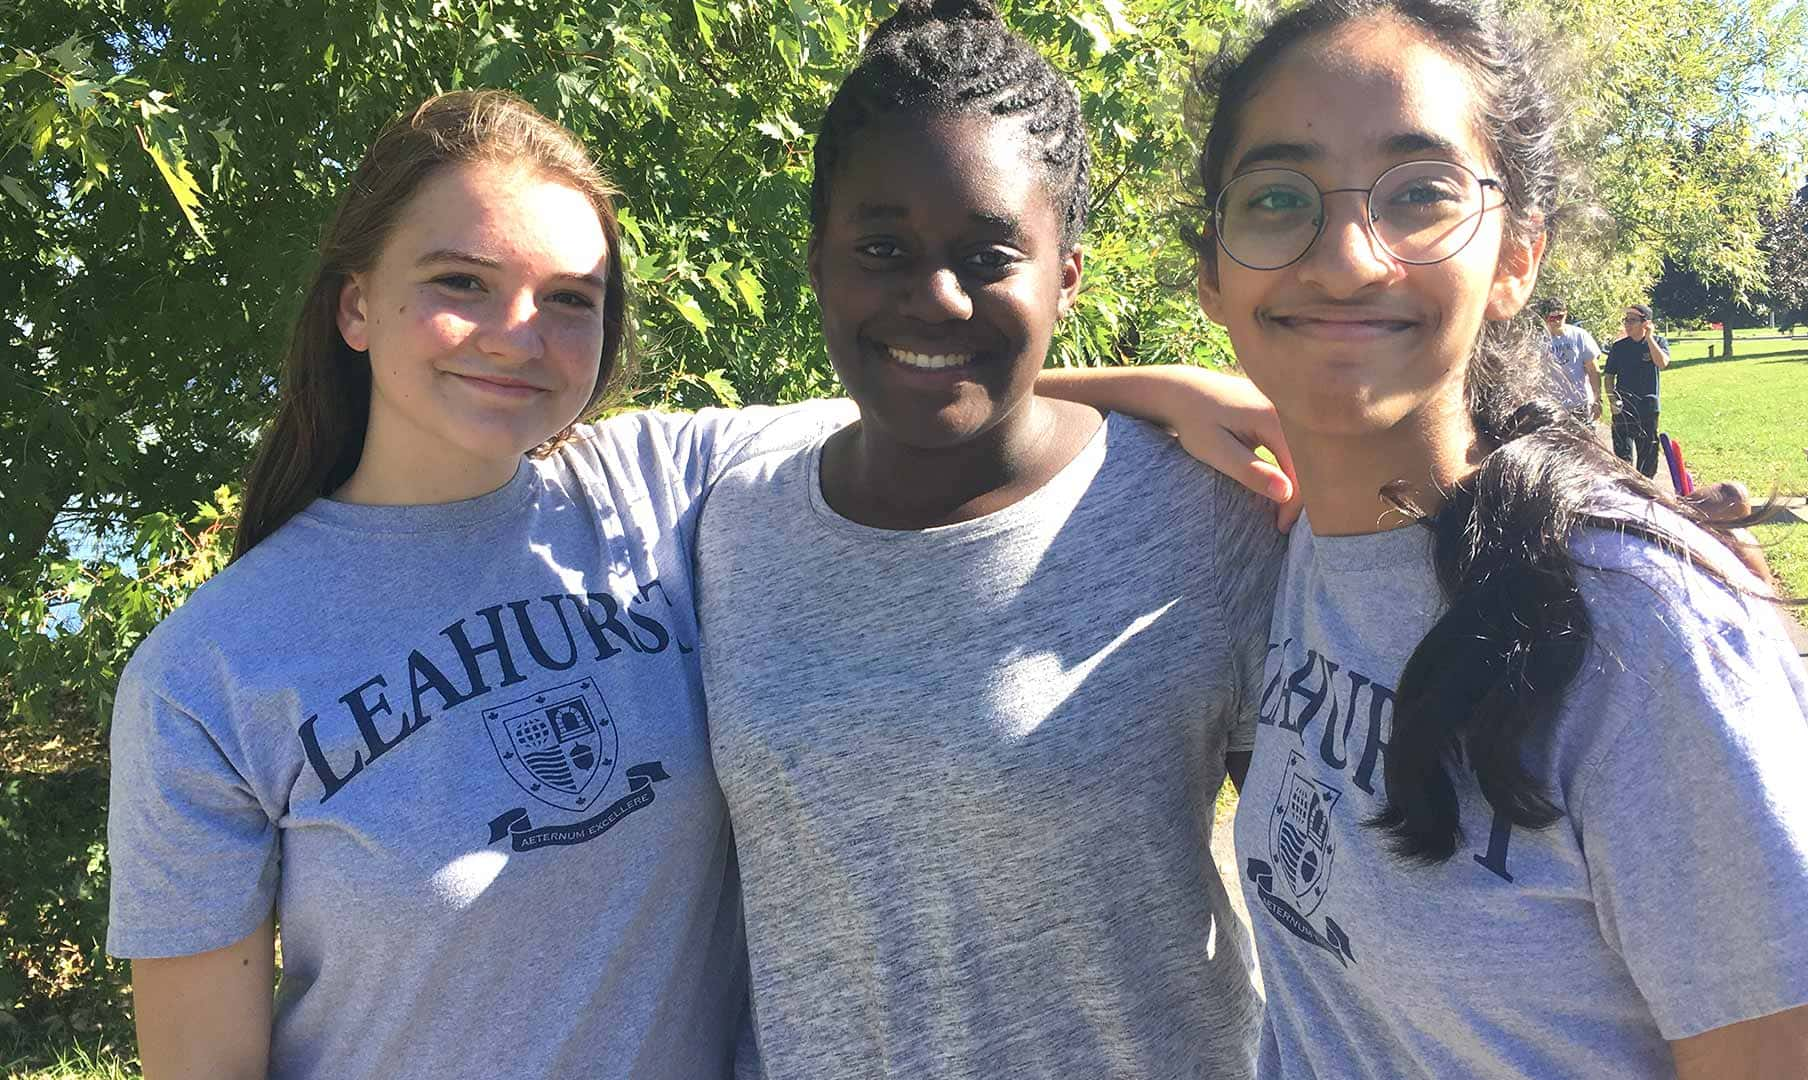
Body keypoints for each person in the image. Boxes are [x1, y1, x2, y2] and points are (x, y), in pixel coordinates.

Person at [104, 89, 1283, 1080]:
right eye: (460, 282)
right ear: (357, 304)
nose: (518, 333)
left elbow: (937, 377)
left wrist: (1166, 387)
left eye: (569, 298)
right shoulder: (210, 672)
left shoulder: (664, 480)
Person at [1186, 2, 1808, 1077]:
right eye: (1277, 198)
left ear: (1516, 259)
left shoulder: (1633, 624)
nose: (1342, 257)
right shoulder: (1289, 536)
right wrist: (1144, 385)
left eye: (1420, 193)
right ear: (1213, 275)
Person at [694, 3, 1280, 1076]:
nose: (935, 296)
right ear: (817, 259)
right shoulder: (727, 515)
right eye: (881, 248)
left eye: (990, 252)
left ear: (1068, 273)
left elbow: (1339, 906)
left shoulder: (1209, 517)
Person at [1606, 301, 1669, 476]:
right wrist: (1612, 399)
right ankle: (1627, 489)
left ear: (1645, 323)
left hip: (1647, 407)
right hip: (1623, 408)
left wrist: (1649, 338)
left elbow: (1662, 363)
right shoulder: (1619, 347)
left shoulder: (1658, 342)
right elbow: (1609, 376)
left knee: (1648, 456)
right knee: (1622, 457)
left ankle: (1646, 490)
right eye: (1626, 320)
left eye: (1632, 320)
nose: (1627, 324)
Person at [1539, 295, 1602, 423]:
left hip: (1580, 403)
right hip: (1552, 405)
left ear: (1566, 314)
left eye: (1560, 317)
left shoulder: (1580, 335)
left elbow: (1593, 369)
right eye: (1552, 318)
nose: (1557, 321)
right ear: (1545, 318)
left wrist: (1597, 399)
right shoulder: (1538, 340)